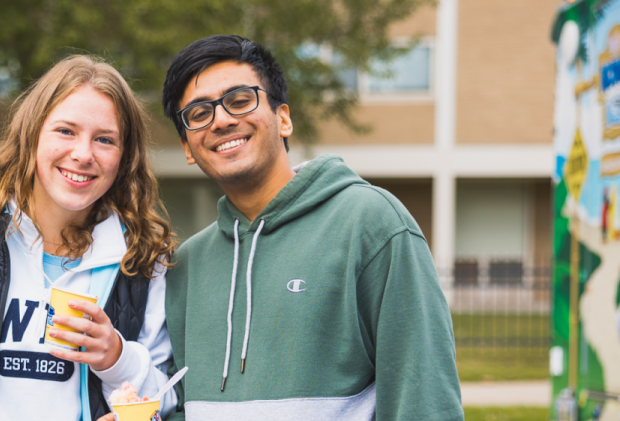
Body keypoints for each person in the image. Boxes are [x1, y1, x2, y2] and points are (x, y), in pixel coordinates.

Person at [159, 34, 462, 420]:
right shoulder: (186, 265)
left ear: (283, 118)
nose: (221, 120)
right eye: (199, 114)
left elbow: (424, 400)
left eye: (239, 100)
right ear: (188, 147)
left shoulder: (371, 224)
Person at [0, 55, 179, 421]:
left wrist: (116, 358)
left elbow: (165, 400)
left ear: (125, 157)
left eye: (105, 139)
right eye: (65, 131)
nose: (82, 154)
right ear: (31, 135)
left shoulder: (143, 261)